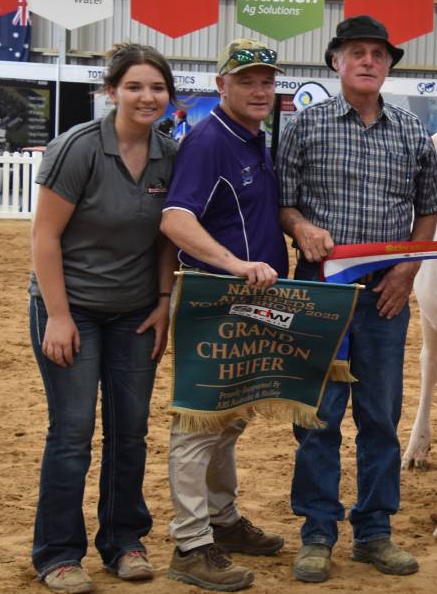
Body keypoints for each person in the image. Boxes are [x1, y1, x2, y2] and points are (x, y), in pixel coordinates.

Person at [276, 14, 437, 584]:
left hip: (386, 298)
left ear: (389, 64)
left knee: (381, 416)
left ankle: (374, 531)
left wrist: (407, 269)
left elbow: (429, 211)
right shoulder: (306, 126)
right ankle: (318, 532)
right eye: (357, 52)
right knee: (318, 418)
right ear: (336, 62)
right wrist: (299, 227)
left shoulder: (410, 130)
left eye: (378, 52)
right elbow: (285, 202)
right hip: (321, 293)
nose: (368, 60)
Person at [28, 42, 178, 594]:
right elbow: (44, 239)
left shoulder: (169, 153)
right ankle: (58, 554)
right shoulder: (78, 149)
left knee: (130, 432)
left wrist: (163, 302)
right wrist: (59, 316)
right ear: (111, 91)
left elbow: (168, 235)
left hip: (136, 314)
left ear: (169, 95)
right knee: (71, 434)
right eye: (135, 86)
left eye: (157, 87)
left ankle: (124, 542)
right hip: (72, 307)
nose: (147, 96)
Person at [159, 38, 289, 592]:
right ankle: (191, 544)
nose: (259, 90)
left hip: (246, 300)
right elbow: (175, 219)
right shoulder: (210, 141)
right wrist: (235, 264)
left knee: (228, 421)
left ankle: (222, 520)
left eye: (266, 81)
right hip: (214, 298)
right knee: (197, 423)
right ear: (222, 86)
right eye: (246, 81)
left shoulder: (253, 138)